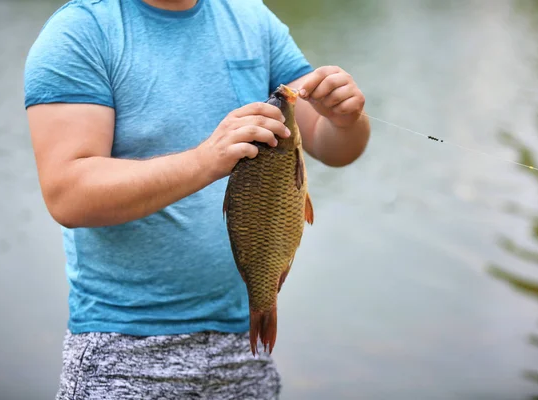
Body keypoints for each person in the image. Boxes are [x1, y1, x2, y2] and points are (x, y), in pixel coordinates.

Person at [24, 0, 370, 398]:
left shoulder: (251, 19)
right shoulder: (82, 30)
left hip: (243, 344)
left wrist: (345, 119)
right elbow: (67, 196)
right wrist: (205, 161)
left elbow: (335, 148)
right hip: (124, 348)